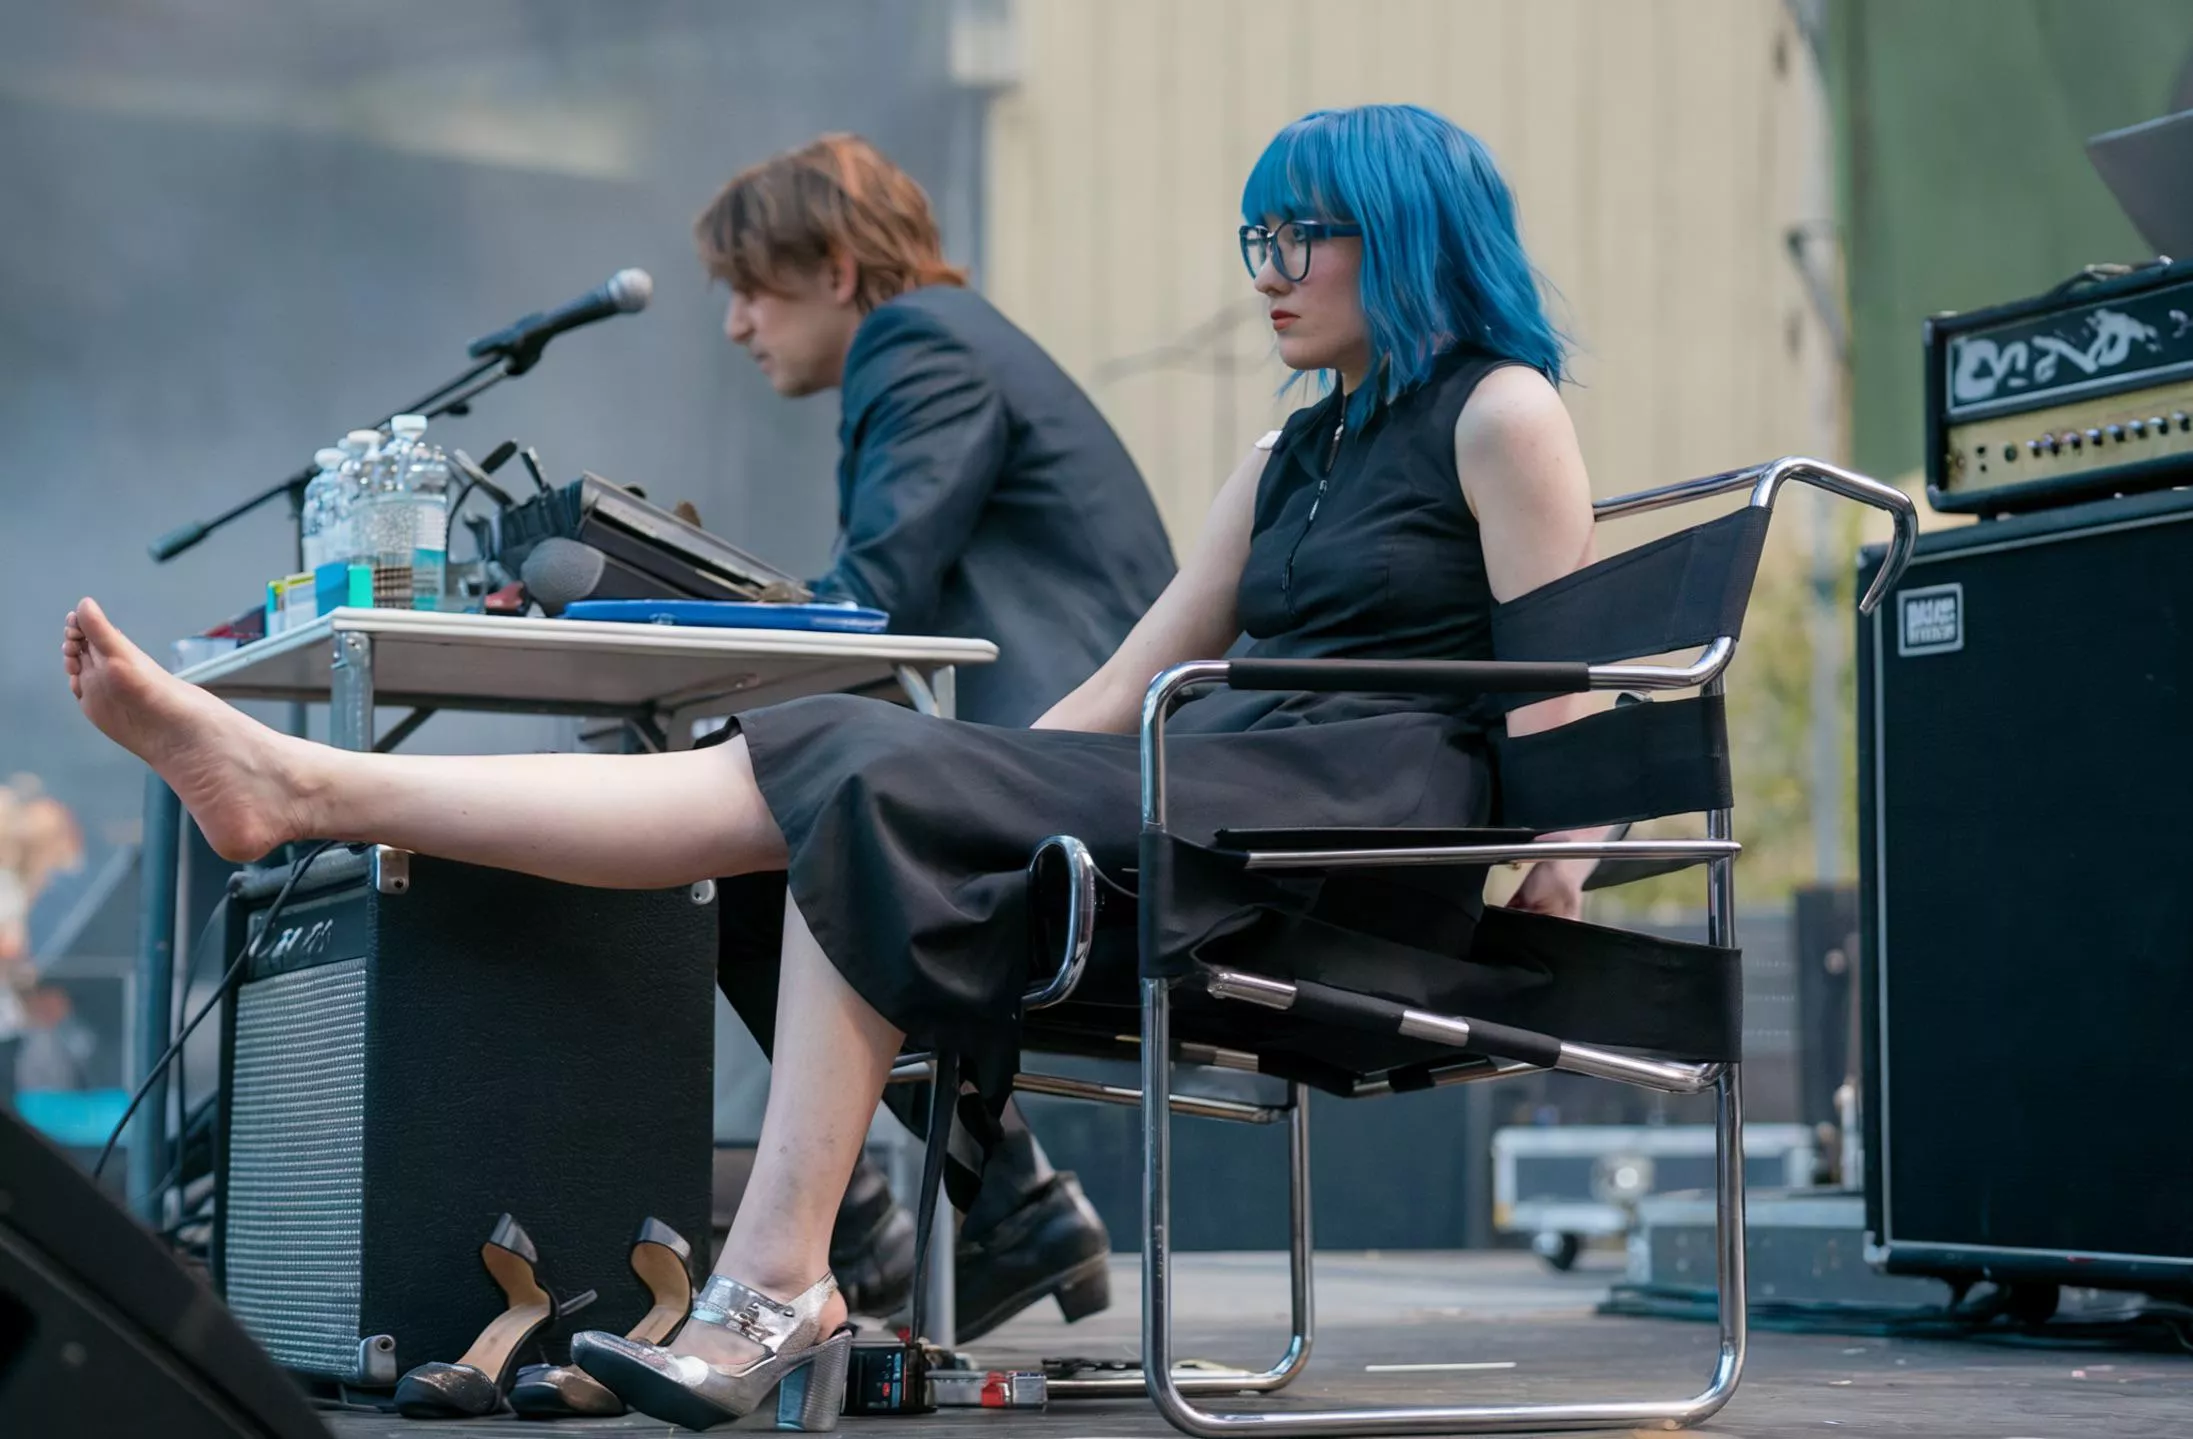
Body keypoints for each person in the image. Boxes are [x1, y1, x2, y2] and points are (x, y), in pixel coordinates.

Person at [63, 102, 1602, 1430]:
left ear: (1403, 235)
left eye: (1298, 239)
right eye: (1253, 239)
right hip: (1211, 787)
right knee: (847, 779)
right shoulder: (1287, 455)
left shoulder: (1502, 410)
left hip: (1357, 827)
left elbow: (1559, 697)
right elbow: (1131, 684)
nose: (1264, 273)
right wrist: (983, 789)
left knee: (859, 765)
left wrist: (1557, 885)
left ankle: (779, 1266)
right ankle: (316, 796)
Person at [693, 134, 1178, 1337]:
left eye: (752, 288)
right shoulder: (950, 344)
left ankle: (882, 1225)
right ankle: (991, 1213)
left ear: (840, 271)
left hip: (1081, 769)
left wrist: (678, 611)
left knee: (736, 858)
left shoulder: (921, 343)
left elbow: (878, 594)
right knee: (752, 840)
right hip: (1068, 755)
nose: (737, 324)